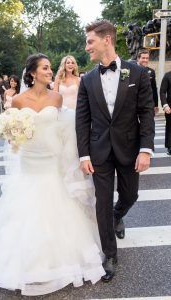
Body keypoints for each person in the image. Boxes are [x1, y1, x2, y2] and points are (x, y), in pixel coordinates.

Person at [0, 53, 105, 296]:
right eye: (44, 68)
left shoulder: (56, 98)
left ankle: (60, 260)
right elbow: (12, 133)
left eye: (49, 68)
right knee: (26, 210)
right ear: (33, 72)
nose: (49, 71)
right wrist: (14, 134)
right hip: (29, 162)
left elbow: (66, 129)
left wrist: (72, 157)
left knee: (57, 205)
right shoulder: (18, 101)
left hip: (51, 161)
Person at [76, 20, 155, 282]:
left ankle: (117, 216)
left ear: (106, 40)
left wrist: (145, 149)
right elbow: (82, 119)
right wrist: (84, 155)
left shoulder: (137, 74)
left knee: (130, 195)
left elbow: (146, 113)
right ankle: (109, 254)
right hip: (99, 151)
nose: (86, 47)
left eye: (90, 41)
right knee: (102, 203)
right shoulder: (87, 79)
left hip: (130, 148)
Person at [137, 49, 159, 114]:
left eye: (147, 58)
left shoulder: (151, 72)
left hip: (147, 105)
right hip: (134, 104)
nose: (145, 60)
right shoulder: (132, 70)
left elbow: (154, 89)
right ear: (138, 58)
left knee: (149, 123)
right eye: (143, 58)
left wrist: (156, 105)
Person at [160, 71, 171, 155]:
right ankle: (170, 146)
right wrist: (165, 105)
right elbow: (162, 91)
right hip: (170, 107)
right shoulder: (167, 75)